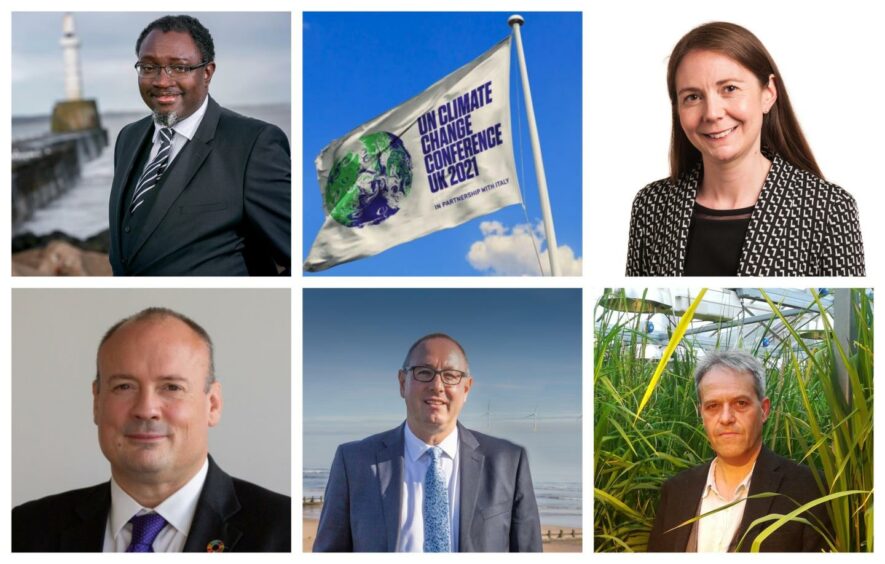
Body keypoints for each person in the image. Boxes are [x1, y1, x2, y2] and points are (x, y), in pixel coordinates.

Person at [12, 308, 290, 552]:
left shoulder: (282, 533)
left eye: (171, 387)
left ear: (213, 405)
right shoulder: (23, 531)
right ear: (97, 402)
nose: (146, 409)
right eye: (124, 386)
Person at [626, 22, 864, 276]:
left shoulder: (829, 209)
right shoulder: (651, 205)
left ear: (768, 93)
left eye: (729, 89)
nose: (712, 113)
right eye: (693, 97)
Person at [313, 333, 542, 552]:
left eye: (450, 375)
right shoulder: (354, 462)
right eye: (424, 372)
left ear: (466, 388)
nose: (437, 386)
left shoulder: (508, 463)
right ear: (403, 383)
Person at [108, 15, 290, 276]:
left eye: (179, 68)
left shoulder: (253, 144)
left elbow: (296, 255)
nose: (161, 81)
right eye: (149, 67)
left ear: (207, 72)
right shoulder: (128, 137)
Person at [647, 351, 830, 552]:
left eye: (740, 403)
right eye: (713, 406)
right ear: (701, 414)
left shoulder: (809, 491)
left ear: (764, 410)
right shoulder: (676, 491)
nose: (726, 418)